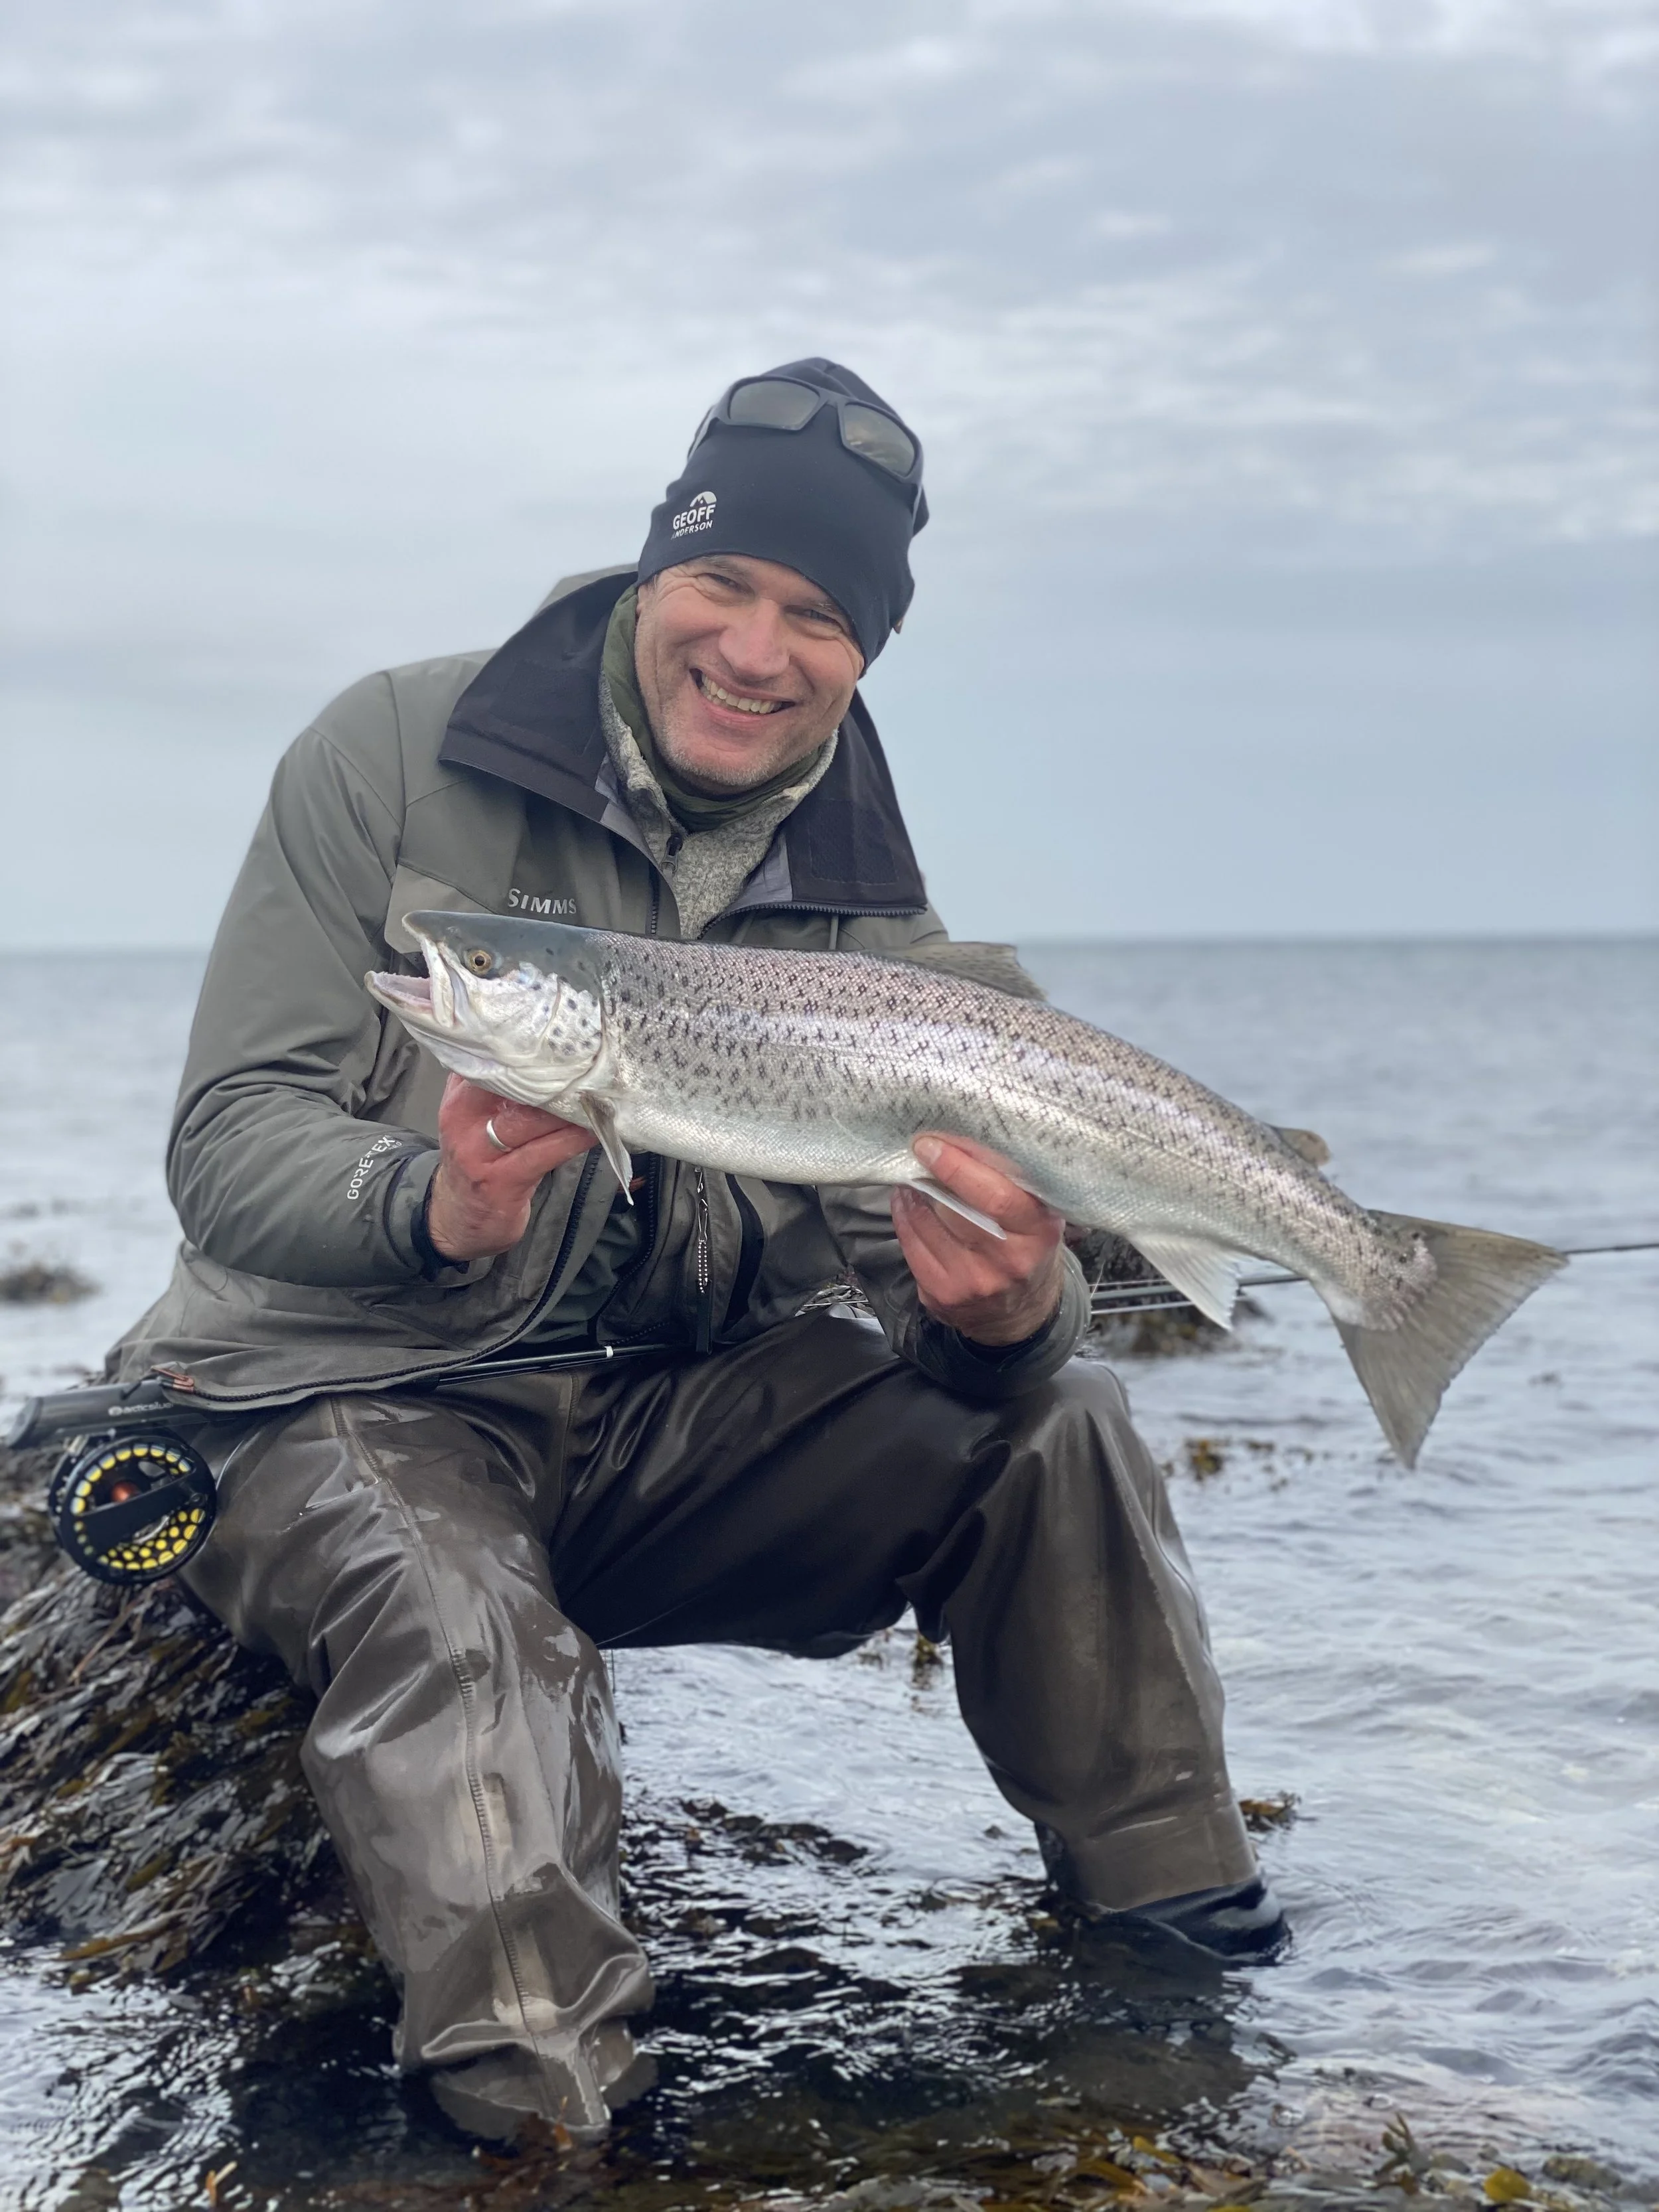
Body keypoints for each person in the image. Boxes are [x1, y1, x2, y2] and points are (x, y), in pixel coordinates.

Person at [111, 358, 1285, 2146]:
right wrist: (428, 1204)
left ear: (865, 651)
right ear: (655, 568)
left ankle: (1192, 2010)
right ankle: (547, 2134)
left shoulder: (874, 921)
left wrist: (1001, 1322)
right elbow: (225, 1142)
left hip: (644, 1443)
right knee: (453, 1607)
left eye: (815, 614)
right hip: (328, 1402)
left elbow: (885, 1291)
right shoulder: (387, 754)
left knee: (1058, 1421)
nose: (754, 647)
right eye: (723, 585)